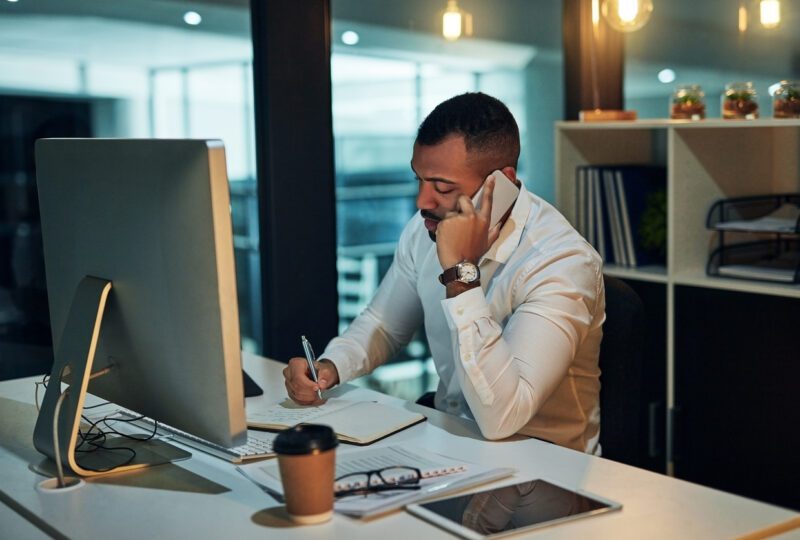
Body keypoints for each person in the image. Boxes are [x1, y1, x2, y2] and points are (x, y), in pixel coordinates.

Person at [283, 92, 604, 453]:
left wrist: (460, 273)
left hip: (547, 466)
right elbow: (384, 324)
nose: (422, 202)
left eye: (443, 187)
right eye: (419, 180)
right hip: (451, 442)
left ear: (500, 184)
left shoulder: (561, 262)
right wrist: (329, 366)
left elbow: (503, 417)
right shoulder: (425, 231)